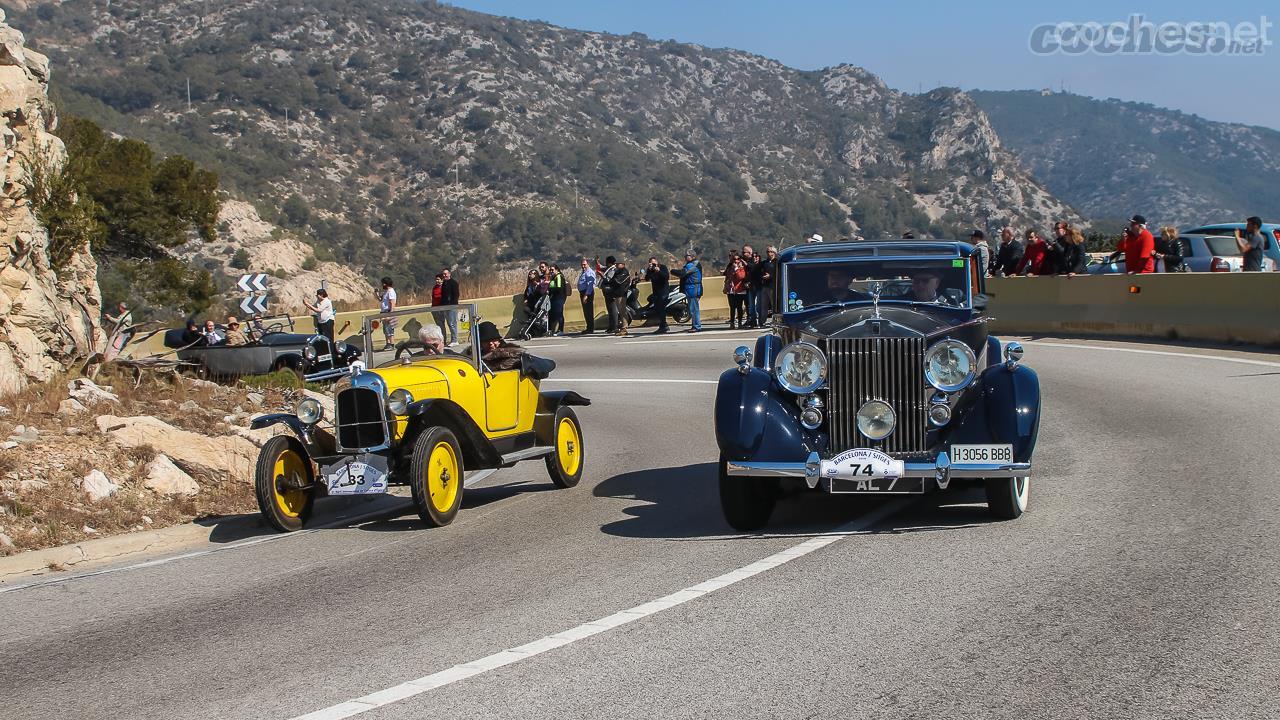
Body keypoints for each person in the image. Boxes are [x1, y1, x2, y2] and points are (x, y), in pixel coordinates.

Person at [671, 251, 703, 332]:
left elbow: (682, 273)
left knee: (694, 309)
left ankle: (696, 326)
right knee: (692, 308)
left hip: (693, 289)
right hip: (691, 288)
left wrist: (672, 271)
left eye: (687, 255)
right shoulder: (692, 264)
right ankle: (695, 325)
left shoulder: (692, 264)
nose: (685, 257)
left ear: (692, 256)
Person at [643, 256, 671, 334]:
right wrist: (649, 270)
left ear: (657, 262)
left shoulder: (662, 267)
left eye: (654, 263)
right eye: (651, 263)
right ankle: (663, 325)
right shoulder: (650, 270)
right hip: (656, 292)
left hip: (664, 291)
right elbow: (647, 278)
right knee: (657, 309)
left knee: (661, 308)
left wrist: (659, 271)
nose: (653, 265)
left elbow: (666, 277)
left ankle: (663, 326)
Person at [600, 256, 625, 335]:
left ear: (609, 263)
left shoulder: (613, 269)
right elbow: (602, 267)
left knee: (613, 309)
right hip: (607, 291)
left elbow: (608, 279)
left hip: (611, 291)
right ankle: (611, 326)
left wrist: (602, 275)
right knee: (609, 309)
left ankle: (614, 326)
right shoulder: (609, 268)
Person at [723, 253, 747, 328]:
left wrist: (736, 268)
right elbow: (727, 277)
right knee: (732, 307)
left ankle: (740, 322)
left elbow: (741, 277)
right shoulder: (730, 267)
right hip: (731, 289)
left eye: (737, 259)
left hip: (739, 290)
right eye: (734, 259)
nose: (736, 261)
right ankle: (732, 322)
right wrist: (726, 286)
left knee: (739, 307)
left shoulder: (742, 267)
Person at [756, 246, 778, 323]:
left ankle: (775, 321)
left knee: (774, 305)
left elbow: (778, 274)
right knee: (763, 305)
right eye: (767, 252)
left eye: (770, 251)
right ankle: (762, 322)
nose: (769, 253)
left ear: (774, 253)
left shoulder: (777, 262)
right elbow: (757, 270)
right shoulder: (764, 263)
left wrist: (770, 276)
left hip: (773, 287)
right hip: (764, 286)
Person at [440, 268, 460, 344]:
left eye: (446, 274)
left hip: (452, 306)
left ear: (449, 274)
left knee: (452, 323)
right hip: (445, 306)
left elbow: (456, 295)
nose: (444, 275)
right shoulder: (444, 284)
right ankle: (453, 340)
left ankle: (455, 340)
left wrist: (453, 304)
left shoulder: (454, 283)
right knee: (449, 323)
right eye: (443, 274)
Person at [577, 257, 597, 334]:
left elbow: (590, 285)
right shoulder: (584, 272)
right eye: (582, 265)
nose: (583, 266)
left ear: (588, 264)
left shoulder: (589, 272)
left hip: (587, 293)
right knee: (586, 311)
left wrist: (586, 295)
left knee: (588, 311)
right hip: (583, 292)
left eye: (584, 265)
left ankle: (590, 328)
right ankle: (588, 327)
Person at [742, 245, 760, 328]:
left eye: (744, 252)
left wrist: (746, 264)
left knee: (757, 305)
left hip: (757, 286)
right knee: (750, 305)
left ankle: (758, 320)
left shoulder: (754, 262)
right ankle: (752, 321)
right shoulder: (743, 261)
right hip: (750, 286)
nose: (743, 254)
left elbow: (754, 269)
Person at [377, 277, 397, 350]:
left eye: (383, 283)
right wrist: (377, 293)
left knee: (389, 329)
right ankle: (387, 343)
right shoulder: (386, 292)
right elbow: (381, 299)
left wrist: (390, 314)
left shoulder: (391, 291)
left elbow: (392, 303)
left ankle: (391, 344)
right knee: (386, 329)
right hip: (384, 312)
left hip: (388, 312)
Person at [547, 264, 567, 336]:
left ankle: (560, 330)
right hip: (554, 298)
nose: (551, 271)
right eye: (550, 270)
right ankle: (551, 329)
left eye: (552, 270)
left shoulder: (559, 277)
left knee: (559, 314)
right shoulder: (553, 277)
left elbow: (559, 288)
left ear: (557, 270)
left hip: (559, 298)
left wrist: (551, 290)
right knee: (553, 314)